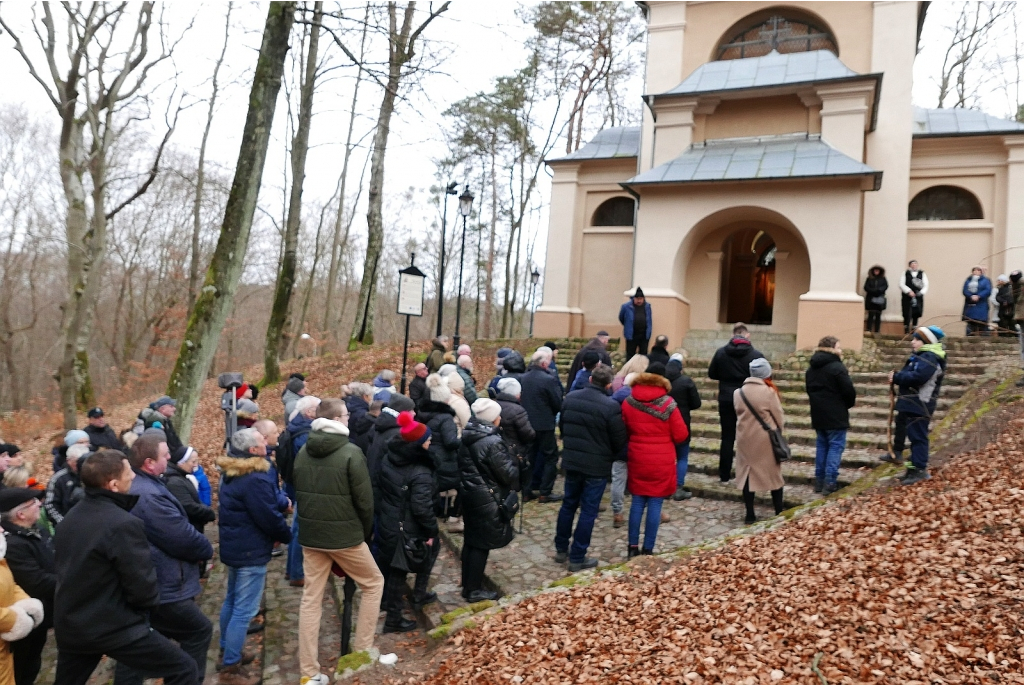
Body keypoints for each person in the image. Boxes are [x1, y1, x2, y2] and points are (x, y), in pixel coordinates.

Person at [53, 449, 197, 685]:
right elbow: (140, 583)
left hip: (73, 625)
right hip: (112, 626)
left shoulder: (69, 519)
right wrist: (143, 614)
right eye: (128, 472)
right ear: (113, 484)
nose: (133, 476)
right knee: (184, 669)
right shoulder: (123, 524)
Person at [292, 400, 383, 683]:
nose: (350, 418)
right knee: (374, 583)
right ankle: (362, 652)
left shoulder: (304, 450)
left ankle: (308, 673)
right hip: (345, 537)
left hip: (311, 536)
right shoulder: (351, 452)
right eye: (346, 414)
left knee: (310, 600)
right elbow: (365, 502)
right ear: (335, 419)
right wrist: (364, 533)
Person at [116, 435, 214, 685]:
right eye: (165, 454)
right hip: (166, 586)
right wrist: (207, 548)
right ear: (149, 462)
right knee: (198, 630)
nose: (170, 457)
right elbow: (180, 537)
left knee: (143, 643)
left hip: (157, 583)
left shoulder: (148, 486)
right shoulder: (148, 495)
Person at [216, 429, 292, 685]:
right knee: (243, 610)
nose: (266, 444)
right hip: (249, 551)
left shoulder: (231, 472)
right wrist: (286, 533)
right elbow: (268, 515)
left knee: (232, 599)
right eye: (262, 441)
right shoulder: (255, 478)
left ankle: (227, 649)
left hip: (235, 547)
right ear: (253, 451)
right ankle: (230, 665)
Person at [555, 366, 627, 570]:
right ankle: (577, 555)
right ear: (607, 384)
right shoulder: (610, 406)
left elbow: (563, 426)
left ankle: (561, 548)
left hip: (573, 460)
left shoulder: (571, 398)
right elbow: (619, 438)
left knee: (568, 504)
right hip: (596, 465)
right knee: (588, 510)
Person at [376, 412, 438, 633]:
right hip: (407, 527)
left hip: (389, 522)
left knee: (396, 569)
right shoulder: (419, 471)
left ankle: (415, 597)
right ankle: (395, 617)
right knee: (401, 570)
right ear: (419, 444)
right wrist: (432, 530)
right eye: (428, 440)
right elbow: (422, 507)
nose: (431, 443)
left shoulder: (390, 457)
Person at [620, 371, 688, 557]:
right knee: (655, 502)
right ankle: (648, 548)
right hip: (661, 459)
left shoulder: (628, 402)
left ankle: (632, 547)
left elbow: (623, 428)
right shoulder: (669, 405)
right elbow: (681, 435)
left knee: (637, 501)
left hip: (637, 456)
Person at [458, 399, 519, 602]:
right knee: (481, 545)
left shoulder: (469, 435)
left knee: (471, 541)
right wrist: (517, 463)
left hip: (471, 494)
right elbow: (507, 474)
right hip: (487, 498)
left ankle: (468, 583)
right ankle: (473, 589)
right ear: (494, 419)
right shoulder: (491, 442)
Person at [1, 489, 54, 685]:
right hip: (21, 622)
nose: (39, 504)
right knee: (21, 667)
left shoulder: (38, 531)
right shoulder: (12, 544)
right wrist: (70, 582)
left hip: (37, 615)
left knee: (32, 663)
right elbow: (36, 582)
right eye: (33, 502)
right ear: (20, 514)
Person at [884, 326, 947, 485]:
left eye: (916, 339)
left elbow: (918, 377)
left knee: (918, 437)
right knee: (913, 436)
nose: (913, 342)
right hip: (911, 402)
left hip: (920, 403)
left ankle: (920, 469)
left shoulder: (930, 358)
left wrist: (898, 377)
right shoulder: (921, 356)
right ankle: (911, 470)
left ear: (925, 341)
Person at [708, 323, 765, 483]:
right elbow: (764, 375)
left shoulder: (721, 353)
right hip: (748, 397)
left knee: (727, 437)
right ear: (747, 335)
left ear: (733, 335)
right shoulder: (755, 355)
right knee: (747, 437)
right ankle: (746, 474)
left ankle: (724, 474)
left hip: (726, 397)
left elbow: (712, 374)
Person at [734, 358, 786, 524]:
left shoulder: (738, 393)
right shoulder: (768, 393)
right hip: (765, 439)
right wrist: (779, 432)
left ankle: (750, 514)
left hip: (744, 438)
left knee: (748, 474)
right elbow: (779, 417)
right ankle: (778, 509)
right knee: (773, 474)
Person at [805, 336, 856, 495]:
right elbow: (849, 391)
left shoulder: (811, 369)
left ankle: (819, 482)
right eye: (839, 347)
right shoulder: (837, 367)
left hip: (818, 414)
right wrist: (846, 405)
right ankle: (830, 482)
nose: (841, 351)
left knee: (822, 446)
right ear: (832, 349)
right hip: (836, 414)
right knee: (835, 446)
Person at [279, 396, 321, 587]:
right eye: (317, 409)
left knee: (297, 527)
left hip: (293, 483)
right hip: (301, 486)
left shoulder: (294, 426)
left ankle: (292, 570)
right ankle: (297, 572)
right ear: (309, 412)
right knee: (299, 530)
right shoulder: (305, 433)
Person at [417, 375, 462, 532]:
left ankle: (437, 512)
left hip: (428, 459)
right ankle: (454, 516)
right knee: (464, 484)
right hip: (445, 461)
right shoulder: (445, 418)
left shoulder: (422, 414)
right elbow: (450, 442)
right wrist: (463, 440)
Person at [519, 349, 563, 503]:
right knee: (551, 456)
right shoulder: (548, 379)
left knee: (529, 457)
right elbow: (557, 403)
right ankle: (545, 492)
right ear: (544, 363)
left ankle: (526, 490)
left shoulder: (523, 378)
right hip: (544, 424)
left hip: (527, 423)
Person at [365, 394, 416, 510]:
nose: (414, 413)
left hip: (375, 484)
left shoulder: (380, 426)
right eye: (411, 410)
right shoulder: (397, 433)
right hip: (386, 489)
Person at [667, 352, 701, 501]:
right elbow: (696, 403)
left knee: (667, 456)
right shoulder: (686, 381)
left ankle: (666, 485)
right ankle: (678, 486)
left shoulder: (662, 382)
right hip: (682, 421)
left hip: (663, 421)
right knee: (682, 456)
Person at [165, 446, 216, 533]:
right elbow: (188, 506)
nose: (196, 465)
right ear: (181, 463)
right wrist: (208, 513)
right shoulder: (175, 482)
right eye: (193, 462)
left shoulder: (181, 477)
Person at [493, 378, 535, 475]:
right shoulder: (518, 410)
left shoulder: (493, 405)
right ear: (516, 393)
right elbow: (528, 433)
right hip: (515, 451)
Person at [44, 444, 89, 526]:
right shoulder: (58, 479)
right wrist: (64, 524)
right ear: (69, 461)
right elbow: (50, 505)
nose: (82, 465)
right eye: (77, 462)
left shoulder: (95, 476)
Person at [619, 288, 652, 358]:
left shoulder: (647, 306)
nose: (639, 301)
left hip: (644, 334)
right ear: (634, 298)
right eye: (637, 299)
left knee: (643, 354)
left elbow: (649, 319)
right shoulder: (626, 306)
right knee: (630, 354)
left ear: (643, 299)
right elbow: (621, 318)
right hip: (632, 334)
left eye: (641, 299)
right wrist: (628, 326)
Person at [344, 383, 375, 453]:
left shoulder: (349, 404)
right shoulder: (362, 414)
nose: (372, 398)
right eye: (371, 396)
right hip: (356, 447)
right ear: (365, 396)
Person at [962, 266, 992, 336]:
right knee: (971, 323)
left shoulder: (986, 280)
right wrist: (970, 296)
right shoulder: (968, 280)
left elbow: (988, 290)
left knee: (982, 324)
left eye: (978, 270)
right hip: (970, 305)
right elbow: (965, 290)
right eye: (974, 271)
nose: (976, 272)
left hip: (981, 305)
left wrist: (979, 296)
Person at [900, 260, 928, 333]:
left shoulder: (922, 273)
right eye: (912, 264)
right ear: (909, 265)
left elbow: (926, 285)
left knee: (916, 312)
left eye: (915, 264)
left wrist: (921, 293)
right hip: (907, 297)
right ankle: (906, 328)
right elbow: (901, 284)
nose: (914, 265)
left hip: (918, 296)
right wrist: (908, 291)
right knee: (906, 312)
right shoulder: (905, 273)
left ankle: (914, 327)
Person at [863, 265, 888, 334]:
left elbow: (885, 286)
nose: (876, 272)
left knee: (878, 315)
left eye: (877, 270)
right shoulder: (869, 279)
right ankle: (868, 329)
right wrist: (873, 291)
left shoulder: (883, 279)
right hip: (871, 299)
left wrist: (878, 291)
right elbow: (866, 287)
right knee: (871, 315)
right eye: (875, 270)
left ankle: (877, 330)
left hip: (879, 299)